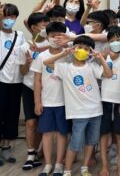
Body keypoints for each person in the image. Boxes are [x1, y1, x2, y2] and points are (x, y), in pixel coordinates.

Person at [44, 35, 106, 176]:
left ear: (90, 52)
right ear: (73, 48)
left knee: (91, 141)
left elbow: (107, 73)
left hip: (96, 110)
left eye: (86, 49)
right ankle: (67, 170)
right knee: (75, 143)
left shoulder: (92, 66)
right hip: (78, 113)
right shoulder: (65, 68)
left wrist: (100, 58)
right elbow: (46, 62)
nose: (82, 50)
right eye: (79, 47)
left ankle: (85, 167)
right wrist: (64, 53)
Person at [0, 3, 25, 166]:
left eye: (12, 16)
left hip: (17, 81)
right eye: (5, 16)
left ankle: (6, 147)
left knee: (12, 115)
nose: (8, 19)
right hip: (0, 81)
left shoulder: (20, 35)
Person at [31, 21, 70, 176]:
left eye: (60, 36)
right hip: (47, 102)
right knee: (46, 133)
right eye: (53, 36)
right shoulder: (42, 56)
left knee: (62, 133)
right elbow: (37, 81)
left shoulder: (68, 54)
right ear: (47, 37)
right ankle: (48, 164)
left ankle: (59, 163)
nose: (56, 39)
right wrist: (37, 102)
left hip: (65, 102)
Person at [99, 29, 120, 176]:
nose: (115, 42)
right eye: (112, 40)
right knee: (103, 134)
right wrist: (104, 56)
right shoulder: (103, 56)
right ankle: (104, 166)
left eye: (118, 39)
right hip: (104, 100)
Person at [16, 15, 47, 171]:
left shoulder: (50, 45)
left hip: (46, 88)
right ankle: (30, 154)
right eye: (43, 25)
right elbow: (22, 72)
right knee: (30, 122)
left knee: (41, 122)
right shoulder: (24, 47)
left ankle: (37, 151)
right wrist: (27, 64)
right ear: (33, 28)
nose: (46, 28)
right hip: (28, 86)